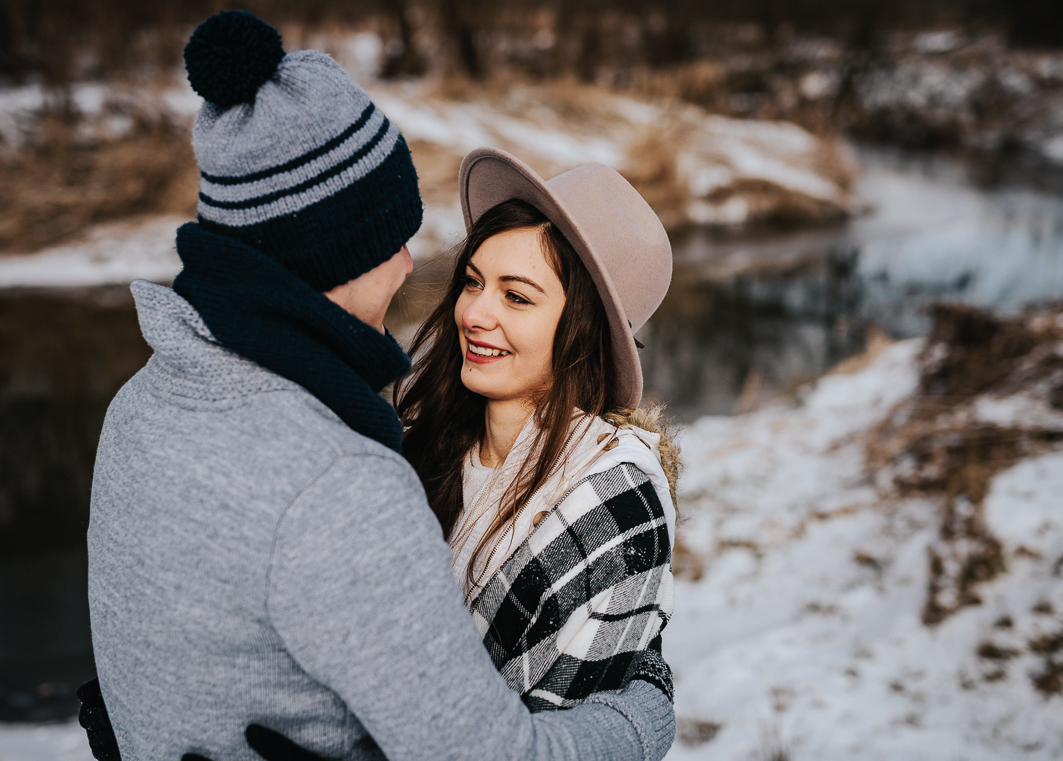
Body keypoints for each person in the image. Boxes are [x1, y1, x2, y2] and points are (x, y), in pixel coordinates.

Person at [83, 10, 675, 761]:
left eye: (518, 294)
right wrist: (646, 714)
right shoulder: (342, 479)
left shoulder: (140, 406)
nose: (409, 268)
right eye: (392, 239)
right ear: (336, 249)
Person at [396, 149, 678, 712]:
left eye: (516, 296)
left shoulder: (614, 507)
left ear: (583, 331)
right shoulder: (413, 442)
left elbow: (552, 734)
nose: (474, 314)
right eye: (474, 282)